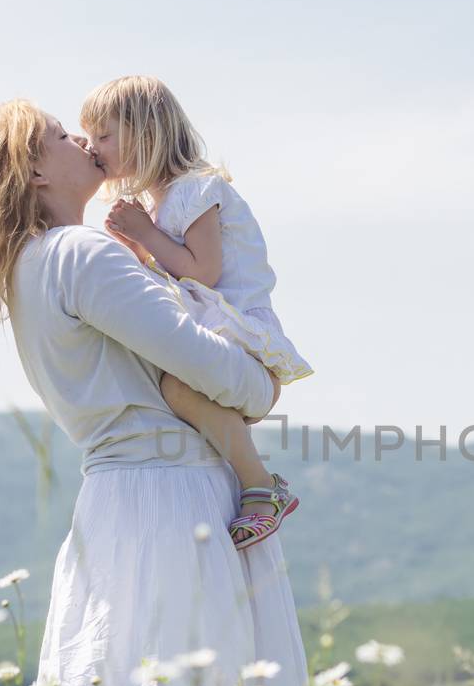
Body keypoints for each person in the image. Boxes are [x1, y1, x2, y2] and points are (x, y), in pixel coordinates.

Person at [0, 98, 311, 686]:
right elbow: (206, 364)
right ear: (36, 172)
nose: (79, 138)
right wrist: (264, 385)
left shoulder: (32, 264)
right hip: (174, 499)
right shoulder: (81, 254)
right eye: (56, 134)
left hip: (120, 501)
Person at [82, 75, 312, 550]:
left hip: (239, 328)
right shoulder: (160, 200)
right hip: (211, 322)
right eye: (87, 137)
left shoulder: (195, 189)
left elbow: (203, 272)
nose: (92, 147)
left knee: (179, 389)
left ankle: (261, 484)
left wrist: (146, 235)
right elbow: (178, 274)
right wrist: (143, 249)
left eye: (104, 135)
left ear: (147, 133)